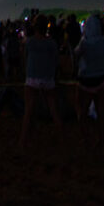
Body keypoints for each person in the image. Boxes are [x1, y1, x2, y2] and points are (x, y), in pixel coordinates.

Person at [18, 16, 62, 150]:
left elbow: (24, 58)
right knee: (53, 109)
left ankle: (23, 141)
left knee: (28, 111)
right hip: (48, 77)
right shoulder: (52, 43)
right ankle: (60, 138)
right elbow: (56, 61)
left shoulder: (30, 42)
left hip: (32, 77)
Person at [73, 14, 104, 146]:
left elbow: (76, 53)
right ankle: (102, 138)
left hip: (87, 79)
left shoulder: (85, 43)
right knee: (102, 111)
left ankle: (86, 138)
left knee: (82, 110)